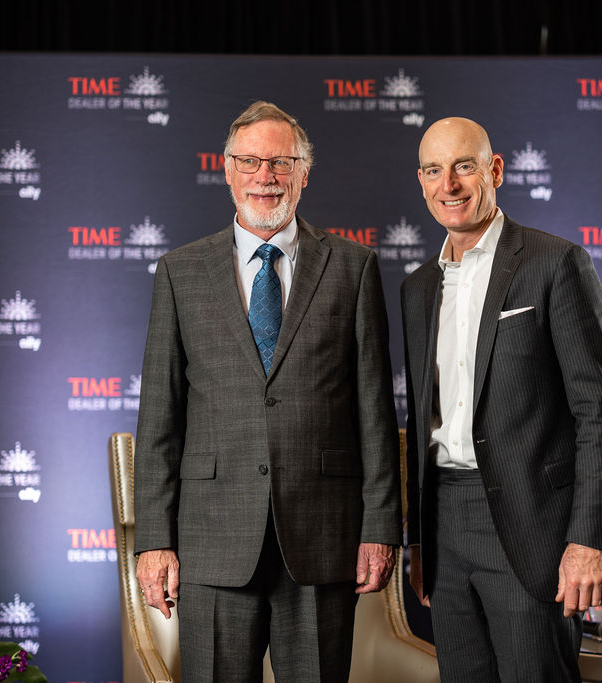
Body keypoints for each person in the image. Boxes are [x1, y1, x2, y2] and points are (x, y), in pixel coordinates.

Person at [134, 101, 402, 682]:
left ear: (304, 173)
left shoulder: (353, 266)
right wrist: (153, 541)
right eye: (250, 161)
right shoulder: (181, 271)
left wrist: (380, 529)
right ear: (227, 170)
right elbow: (159, 419)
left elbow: (374, 413)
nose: (266, 176)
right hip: (211, 539)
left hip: (322, 537)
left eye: (281, 162)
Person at [400, 117, 602, 683]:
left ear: (495, 170)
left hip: (532, 528)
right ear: (421, 182)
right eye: (434, 170)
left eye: (464, 166)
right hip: (444, 528)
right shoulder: (417, 288)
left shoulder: (556, 263)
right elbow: (421, 422)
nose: (449, 184)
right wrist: (418, 540)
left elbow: (598, 412)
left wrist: (589, 540)